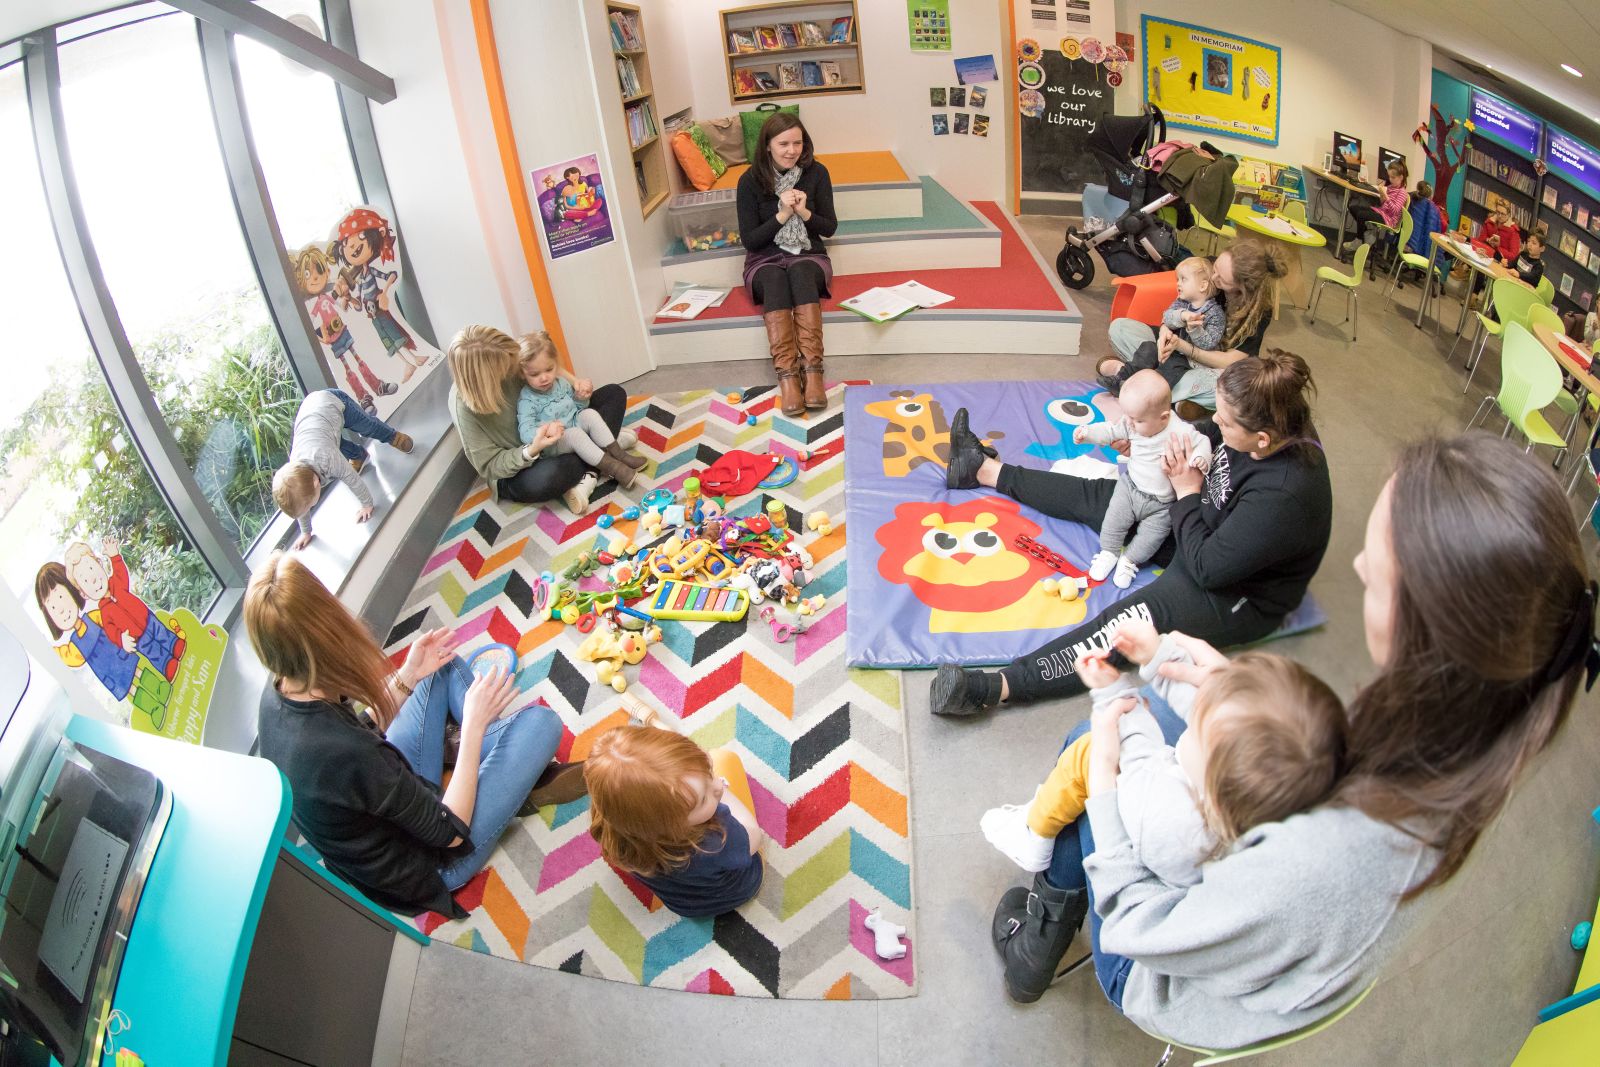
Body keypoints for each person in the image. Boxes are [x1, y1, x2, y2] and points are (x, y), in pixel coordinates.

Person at [984, 432, 1597, 1045]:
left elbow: (1137, 925)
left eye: (1377, 564)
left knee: (1089, 749)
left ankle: (1038, 942)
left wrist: (1107, 782)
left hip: (1157, 967)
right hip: (1259, 928)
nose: (1356, 566)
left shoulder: (1328, 857)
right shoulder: (1461, 745)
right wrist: (1211, 680)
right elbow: (1288, 754)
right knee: (1124, 732)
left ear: (1419, 620)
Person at [934, 349, 1329, 712]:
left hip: (1234, 587)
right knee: (1109, 499)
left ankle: (995, 687)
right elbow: (1202, 435)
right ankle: (983, 470)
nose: (1217, 424)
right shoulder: (1266, 421)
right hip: (1202, 519)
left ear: (1261, 439)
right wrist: (1152, 446)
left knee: (1130, 620)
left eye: (1226, 422)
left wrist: (1187, 490)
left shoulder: (1284, 493)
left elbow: (1208, 567)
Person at [248, 553, 587, 917]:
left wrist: (407, 676)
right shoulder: (343, 753)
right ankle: (506, 772)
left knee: (439, 668)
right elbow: (451, 832)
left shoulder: (282, 689)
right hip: (434, 863)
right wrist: (472, 727)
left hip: (393, 801)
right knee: (541, 724)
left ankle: (494, 766)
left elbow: (366, 734)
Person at [979, 619, 1344, 897]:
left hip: (1141, 889)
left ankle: (1035, 833)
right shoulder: (1267, 800)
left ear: (1213, 775)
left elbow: (1138, 753)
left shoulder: (1171, 816)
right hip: (1193, 857)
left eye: (1201, 723)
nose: (1199, 705)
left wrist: (1111, 692)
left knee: (1087, 751)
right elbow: (1208, 709)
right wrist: (1158, 657)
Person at [584, 724, 765, 918]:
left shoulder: (613, 823)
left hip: (684, 904)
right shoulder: (714, 841)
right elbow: (754, 838)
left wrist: (702, 789)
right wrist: (724, 794)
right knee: (725, 757)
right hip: (735, 891)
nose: (717, 786)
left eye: (709, 771)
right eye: (703, 799)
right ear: (670, 825)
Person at [1096, 239, 1287, 417]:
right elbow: (1177, 306)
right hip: (1176, 345)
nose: (1213, 277)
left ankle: (1136, 376)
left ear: (1242, 287)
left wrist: (1186, 348)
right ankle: (1169, 394)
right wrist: (1165, 331)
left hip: (1205, 364)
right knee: (1120, 328)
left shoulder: (1258, 311)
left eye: (1222, 280)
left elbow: (1230, 361)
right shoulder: (1208, 268)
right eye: (1216, 268)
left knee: (1238, 390)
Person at [446, 325, 633, 507]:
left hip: (564, 434)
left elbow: (547, 366)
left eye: (513, 361)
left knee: (613, 394)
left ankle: (592, 460)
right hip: (524, 465)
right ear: (487, 375)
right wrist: (532, 449)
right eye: (506, 367)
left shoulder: (507, 357)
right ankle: (599, 453)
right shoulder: (463, 406)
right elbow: (490, 465)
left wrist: (577, 385)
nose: (513, 369)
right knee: (552, 476)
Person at [736, 112, 837, 417]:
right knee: (776, 279)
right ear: (767, 145)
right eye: (783, 144)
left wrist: (804, 213)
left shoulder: (816, 173)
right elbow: (751, 240)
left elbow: (829, 228)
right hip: (763, 259)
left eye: (797, 142)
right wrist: (782, 213)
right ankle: (788, 378)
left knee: (800, 271)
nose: (791, 150)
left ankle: (813, 371)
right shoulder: (750, 181)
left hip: (809, 255)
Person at [1073, 371, 1212, 589]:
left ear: (1163, 417)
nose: (1129, 424)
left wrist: (1201, 457)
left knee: (1150, 540)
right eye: (1127, 416)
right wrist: (1088, 433)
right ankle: (1108, 552)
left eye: (1137, 420)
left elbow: (1203, 441)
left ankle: (1129, 561)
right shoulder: (1131, 423)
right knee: (1112, 523)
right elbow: (1111, 431)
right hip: (1130, 488)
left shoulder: (1181, 430)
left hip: (1162, 503)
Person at [516, 330, 646, 508]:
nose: (544, 377)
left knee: (590, 414)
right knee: (576, 434)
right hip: (554, 443)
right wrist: (545, 432)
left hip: (574, 424)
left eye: (549, 369)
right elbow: (525, 432)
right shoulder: (527, 399)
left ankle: (620, 455)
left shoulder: (560, 383)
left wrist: (581, 396)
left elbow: (577, 409)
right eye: (535, 374)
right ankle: (615, 468)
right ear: (523, 374)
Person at [273, 389, 414, 551]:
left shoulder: (327, 458)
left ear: (314, 482)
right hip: (321, 423)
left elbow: (351, 478)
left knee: (367, 426)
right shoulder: (299, 478)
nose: (308, 510)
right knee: (333, 441)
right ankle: (358, 456)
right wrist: (306, 532)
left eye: (309, 507)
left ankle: (393, 437)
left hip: (335, 402)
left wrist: (367, 504)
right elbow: (301, 508)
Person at [1099, 257, 1224, 395]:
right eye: (1178, 279)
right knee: (1148, 348)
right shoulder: (1182, 302)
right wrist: (1182, 315)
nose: (1178, 284)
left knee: (1170, 367)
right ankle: (1121, 378)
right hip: (1170, 349)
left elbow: (1208, 344)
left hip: (1189, 361)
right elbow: (1167, 317)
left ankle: (1146, 390)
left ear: (1202, 286)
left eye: (1184, 280)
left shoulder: (1215, 314)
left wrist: (1194, 330)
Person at [1343, 158, 1409, 259]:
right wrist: (1382, 194)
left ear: (1401, 177)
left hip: (1389, 219)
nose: (1390, 179)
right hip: (1382, 213)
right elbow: (1383, 205)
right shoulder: (1392, 187)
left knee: (1361, 215)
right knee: (1354, 208)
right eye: (1389, 176)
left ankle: (1359, 240)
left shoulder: (1402, 193)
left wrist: (1386, 197)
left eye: (1393, 177)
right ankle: (1368, 233)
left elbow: (1395, 210)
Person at [1476, 197, 1522, 265]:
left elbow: (1513, 256)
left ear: (1508, 215)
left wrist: (1496, 247)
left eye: (1503, 214)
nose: (1499, 216)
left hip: (1499, 262)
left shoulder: (1513, 231)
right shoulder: (1490, 222)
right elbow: (1480, 240)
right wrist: (1488, 241)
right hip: (1484, 255)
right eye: (1498, 212)